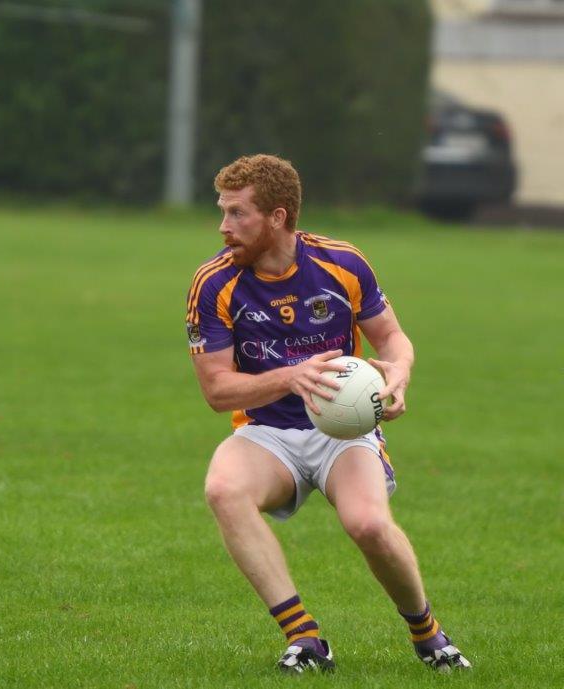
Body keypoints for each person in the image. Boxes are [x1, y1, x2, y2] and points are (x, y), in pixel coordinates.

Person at [186, 154, 470, 673]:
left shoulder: (342, 262)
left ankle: (427, 633)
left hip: (346, 430)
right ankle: (306, 639)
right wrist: (288, 377)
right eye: (223, 212)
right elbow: (217, 389)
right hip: (267, 429)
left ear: (277, 217)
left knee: (367, 525)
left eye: (237, 214)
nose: (224, 227)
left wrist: (399, 373)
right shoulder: (213, 283)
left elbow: (391, 337)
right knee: (224, 489)